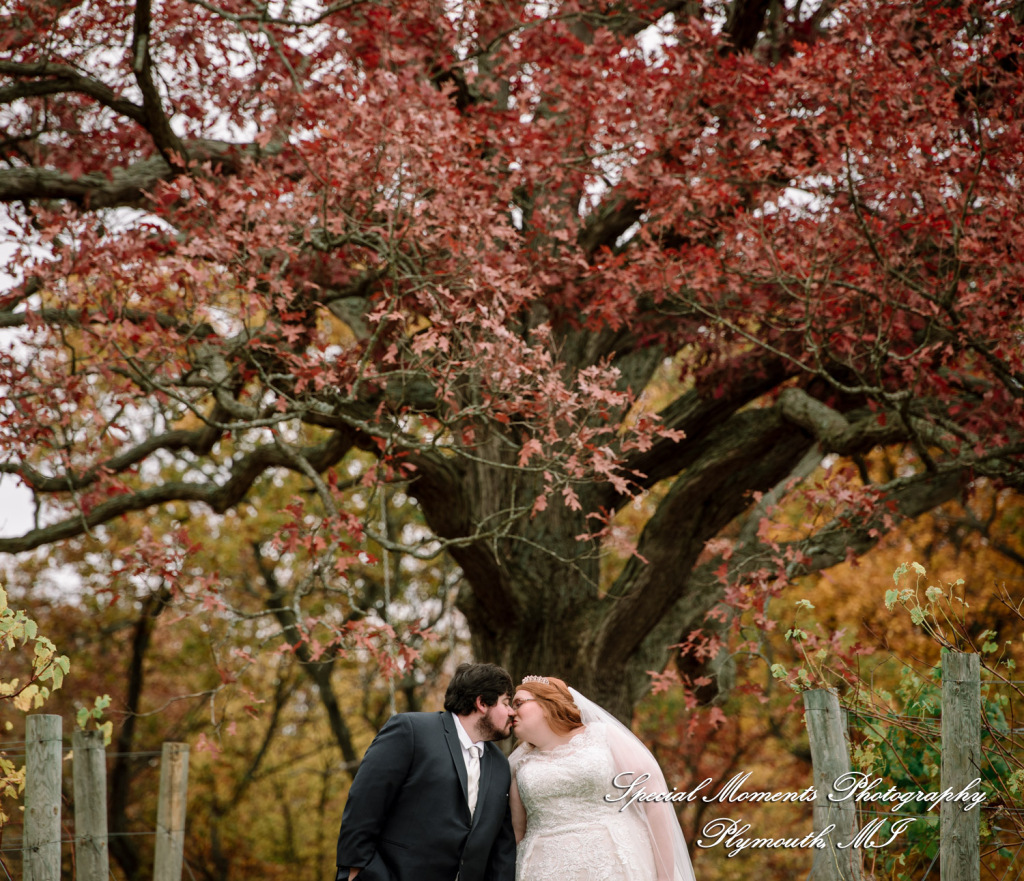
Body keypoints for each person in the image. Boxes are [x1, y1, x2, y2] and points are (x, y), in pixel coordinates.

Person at [335, 663, 518, 881]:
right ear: (481, 703)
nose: (512, 712)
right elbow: (364, 802)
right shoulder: (411, 731)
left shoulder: (499, 764)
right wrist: (356, 868)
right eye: (506, 703)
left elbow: (501, 844)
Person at [509, 675, 696, 881]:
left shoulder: (602, 737)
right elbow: (517, 832)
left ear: (547, 703)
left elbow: (654, 802)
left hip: (616, 864)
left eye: (518, 703)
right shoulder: (520, 763)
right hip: (543, 869)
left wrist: (666, 877)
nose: (511, 711)